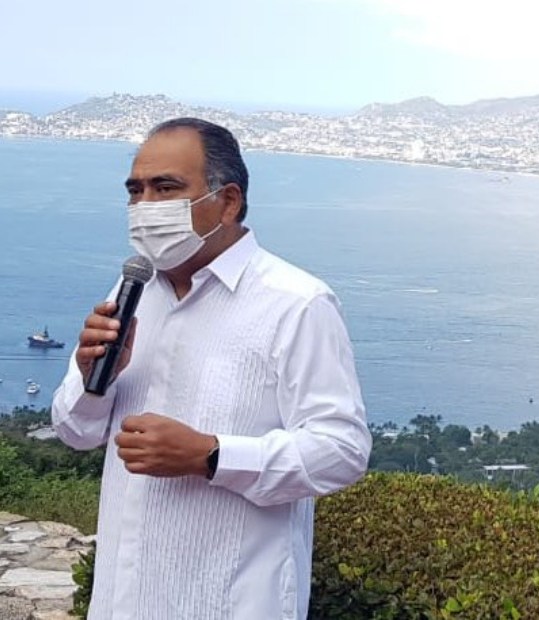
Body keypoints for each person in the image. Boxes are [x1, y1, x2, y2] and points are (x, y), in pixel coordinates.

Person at [52, 117, 371, 619]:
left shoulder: (296, 303)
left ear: (228, 201)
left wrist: (211, 455)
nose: (145, 207)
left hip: (229, 602)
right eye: (135, 191)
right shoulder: (132, 292)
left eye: (166, 188)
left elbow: (342, 450)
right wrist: (94, 381)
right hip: (122, 601)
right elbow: (76, 433)